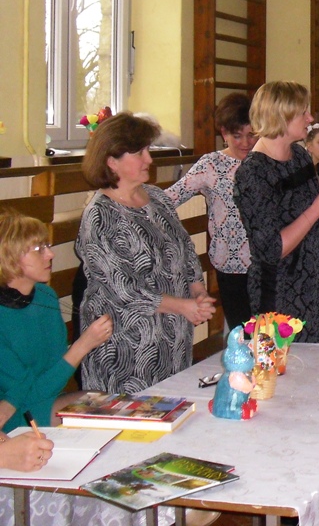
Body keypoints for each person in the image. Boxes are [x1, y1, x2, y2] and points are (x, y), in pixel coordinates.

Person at [76, 113, 215, 394]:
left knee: (172, 407)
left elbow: (184, 248)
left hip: (172, 338)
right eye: (139, 152)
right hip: (127, 347)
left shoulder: (157, 197)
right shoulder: (100, 216)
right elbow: (124, 291)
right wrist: (183, 306)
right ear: (112, 161)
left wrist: (198, 291)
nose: (149, 159)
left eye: (148, 150)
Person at [234, 81, 319, 343]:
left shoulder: (299, 155)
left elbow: (316, 231)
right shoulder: (253, 173)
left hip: (317, 286)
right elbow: (272, 250)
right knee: (287, 365)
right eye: (303, 112)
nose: (310, 118)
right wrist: (316, 209)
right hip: (282, 292)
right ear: (281, 117)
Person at [0, 211, 112, 431]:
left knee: (109, 403)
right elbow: (21, 398)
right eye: (38, 249)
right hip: (14, 416)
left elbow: (54, 375)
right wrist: (82, 345)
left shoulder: (46, 296)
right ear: (9, 256)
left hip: (45, 399)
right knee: (100, 411)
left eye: (47, 246)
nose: (50, 254)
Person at [165, 92, 257, 331]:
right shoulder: (211, 164)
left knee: (269, 330)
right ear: (224, 133)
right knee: (243, 331)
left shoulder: (265, 161)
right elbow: (172, 196)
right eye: (237, 136)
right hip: (230, 263)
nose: (246, 143)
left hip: (266, 260)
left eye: (251, 135)